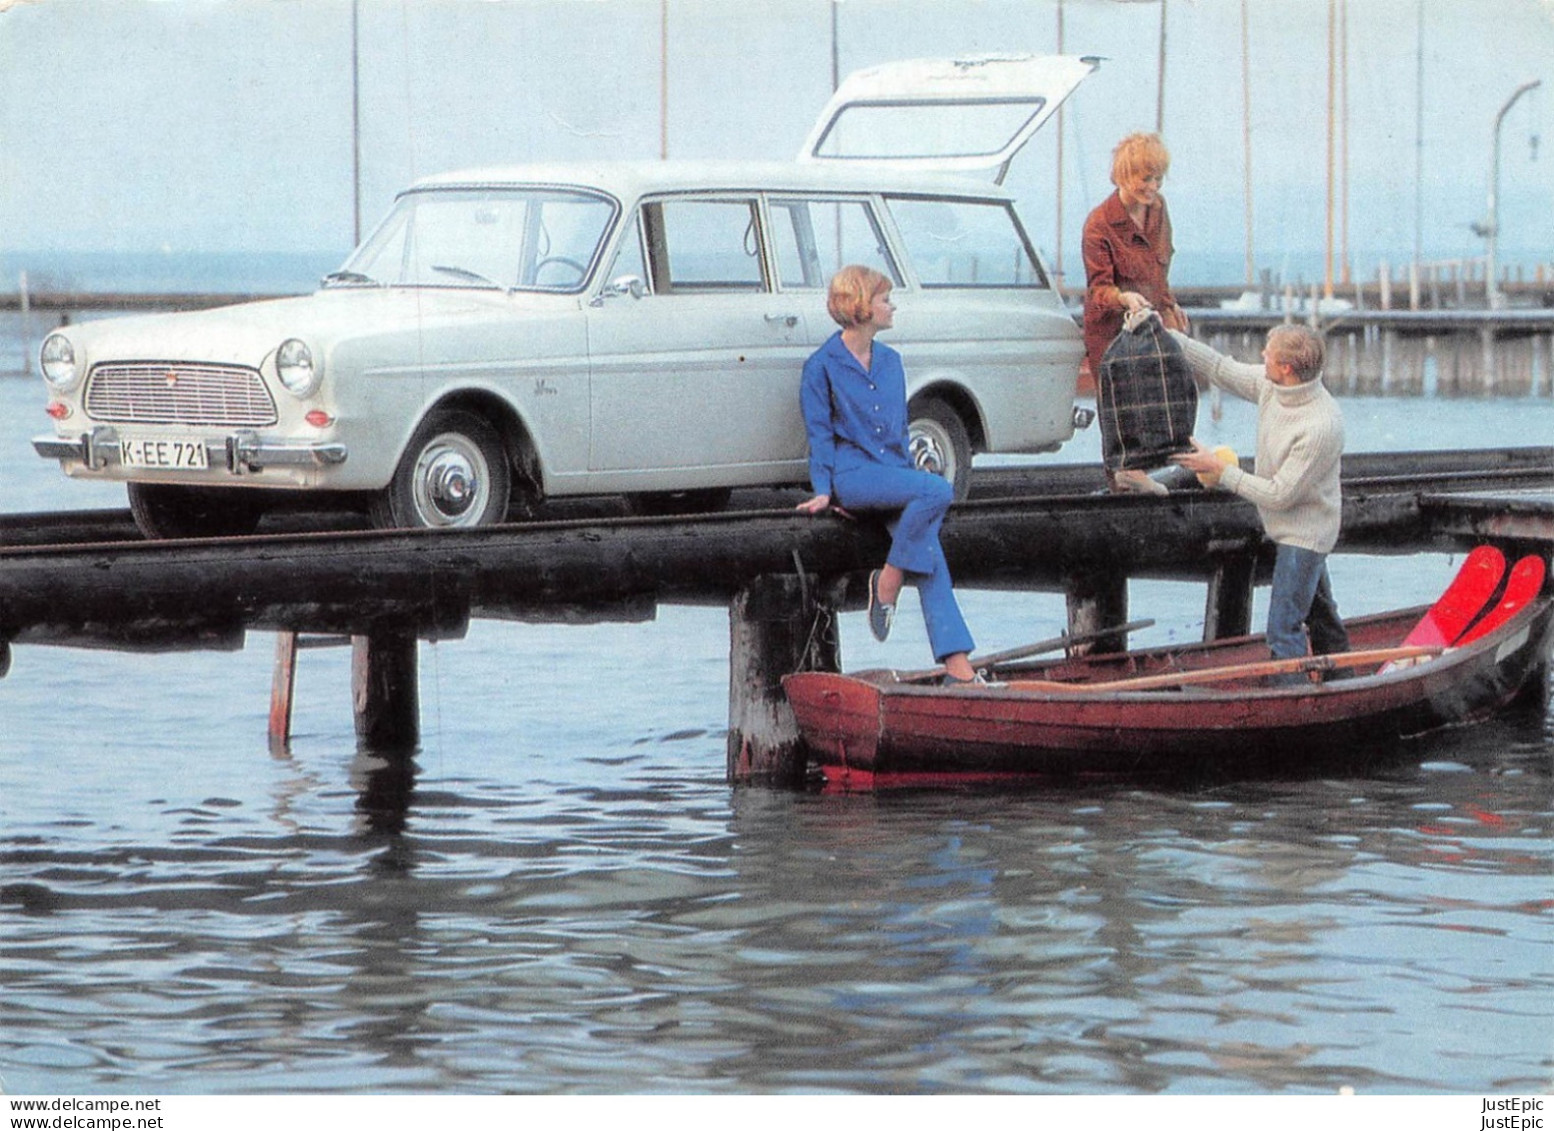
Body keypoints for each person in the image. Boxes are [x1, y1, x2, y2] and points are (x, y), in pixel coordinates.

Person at [796, 265, 980, 684]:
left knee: (930, 553)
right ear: (861, 307)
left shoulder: (891, 362)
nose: (892, 306)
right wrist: (824, 491)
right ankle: (890, 582)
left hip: (893, 474)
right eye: (885, 300)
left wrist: (905, 478)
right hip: (854, 476)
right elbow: (820, 435)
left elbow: (897, 431)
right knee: (937, 489)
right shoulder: (820, 366)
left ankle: (958, 670)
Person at [1169, 325, 1351, 675]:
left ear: (1287, 368)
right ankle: (1347, 684)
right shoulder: (1273, 387)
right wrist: (1168, 336)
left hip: (1305, 536)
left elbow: (1280, 495)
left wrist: (1219, 470)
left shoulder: (1320, 425)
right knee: (1322, 618)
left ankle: (1293, 707)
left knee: (1283, 630)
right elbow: (1221, 368)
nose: (1262, 355)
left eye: (1269, 352)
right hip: (1289, 527)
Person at [1081, 132, 1190, 494]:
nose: (1154, 186)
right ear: (1124, 175)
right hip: (1111, 332)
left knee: (1161, 404)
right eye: (1146, 178)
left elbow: (1160, 268)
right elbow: (1098, 290)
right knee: (1121, 416)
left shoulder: (1159, 210)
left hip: (1151, 322)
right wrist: (1124, 297)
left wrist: (1170, 305)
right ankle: (1119, 488)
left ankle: (1156, 481)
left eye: (1158, 178)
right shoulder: (1099, 224)